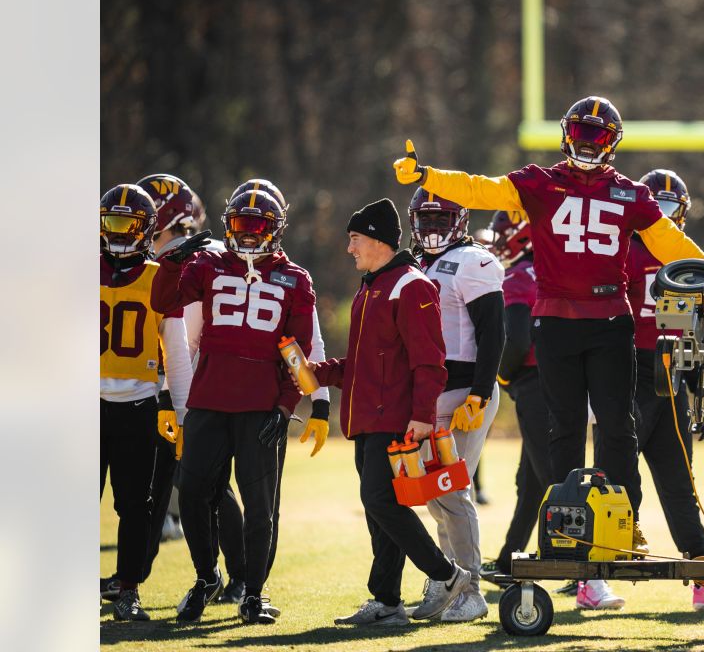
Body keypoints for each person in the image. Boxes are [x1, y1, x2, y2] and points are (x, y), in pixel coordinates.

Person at [393, 95, 704, 611]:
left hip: (610, 324)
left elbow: (676, 247)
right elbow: (481, 189)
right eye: (582, 133)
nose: (588, 142)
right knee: (563, 432)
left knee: (618, 429)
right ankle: (570, 540)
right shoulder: (540, 182)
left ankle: (616, 530)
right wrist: (430, 175)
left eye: (598, 136)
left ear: (612, 143)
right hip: (557, 321)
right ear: (567, 135)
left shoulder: (629, 194)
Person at [150, 190, 315, 625]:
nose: (248, 234)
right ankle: (207, 577)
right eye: (241, 224)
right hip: (209, 400)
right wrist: (171, 261)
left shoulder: (295, 278)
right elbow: (163, 303)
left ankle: (254, 593)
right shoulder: (207, 264)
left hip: (260, 406)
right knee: (193, 493)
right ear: (227, 224)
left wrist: (285, 406)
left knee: (261, 506)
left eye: (258, 226)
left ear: (276, 228)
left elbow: (300, 353)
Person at [308, 199, 472, 627]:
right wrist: (316, 373)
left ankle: (448, 575)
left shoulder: (411, 285)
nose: (349, 249)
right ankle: (387, 602)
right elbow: (364, 364)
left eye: (355, 239)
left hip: (396, 420)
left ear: (377, 240)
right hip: (366, 420)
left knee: (380, 501)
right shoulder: (372, 285)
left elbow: (431, 361)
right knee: (379, 511)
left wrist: (422, 414)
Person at [627, 169, 704, 612]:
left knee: (680, 479)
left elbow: (694, 329)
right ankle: (591, 570)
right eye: (654, 208)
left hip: (673, 372)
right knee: (617, 474)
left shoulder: (687, 259)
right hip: (631, 370)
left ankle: (701, 571)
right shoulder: (622, 250)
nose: (661, 217)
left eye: (669, 209)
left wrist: (696, 385)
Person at [408, 189, 505, 622]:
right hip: (433, 393)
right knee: (433, 494)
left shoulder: (473, 261)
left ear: (460, 221)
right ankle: (449, 581)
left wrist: (480, 393)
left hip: (466, 389)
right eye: (425, 220)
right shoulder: (418, 262)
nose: (431, 230)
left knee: (451, 491)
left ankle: (471, 591)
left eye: (440, 220)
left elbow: (493, 333)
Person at [99, 184, 193, 621]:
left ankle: (128, 589)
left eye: (127, 225)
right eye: (111, 224)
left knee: (135, 504)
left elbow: (175, 354)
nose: (118, 234)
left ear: (147, 229)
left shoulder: (160, 278)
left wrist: (183, 411)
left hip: (138, 406)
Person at [484, 211, 552, 577]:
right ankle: (510, 558)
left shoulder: (517, 277)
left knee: (550, 478)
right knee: (530, 480)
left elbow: (517, 341)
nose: (497, 242)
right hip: (563, 381)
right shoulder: (554, 269)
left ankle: (571, 562)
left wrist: (502, 377)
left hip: (534, 383)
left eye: (502, 235)